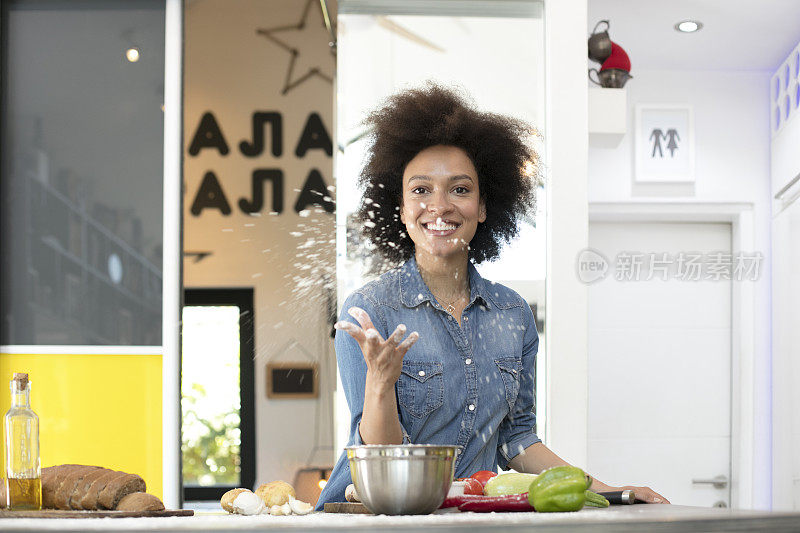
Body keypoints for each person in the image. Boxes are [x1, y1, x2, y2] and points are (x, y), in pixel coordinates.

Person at [315, 82, 669, 509]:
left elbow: (517, 440)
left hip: (467, 515)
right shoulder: (370, 312)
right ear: (402, 208)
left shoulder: (513, 313)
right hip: (373, 516)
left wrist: (611, 491)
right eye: (421, 190)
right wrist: (379, 384)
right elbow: (378, 461)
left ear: (484, 207)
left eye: (460, 189)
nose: (440, 205)